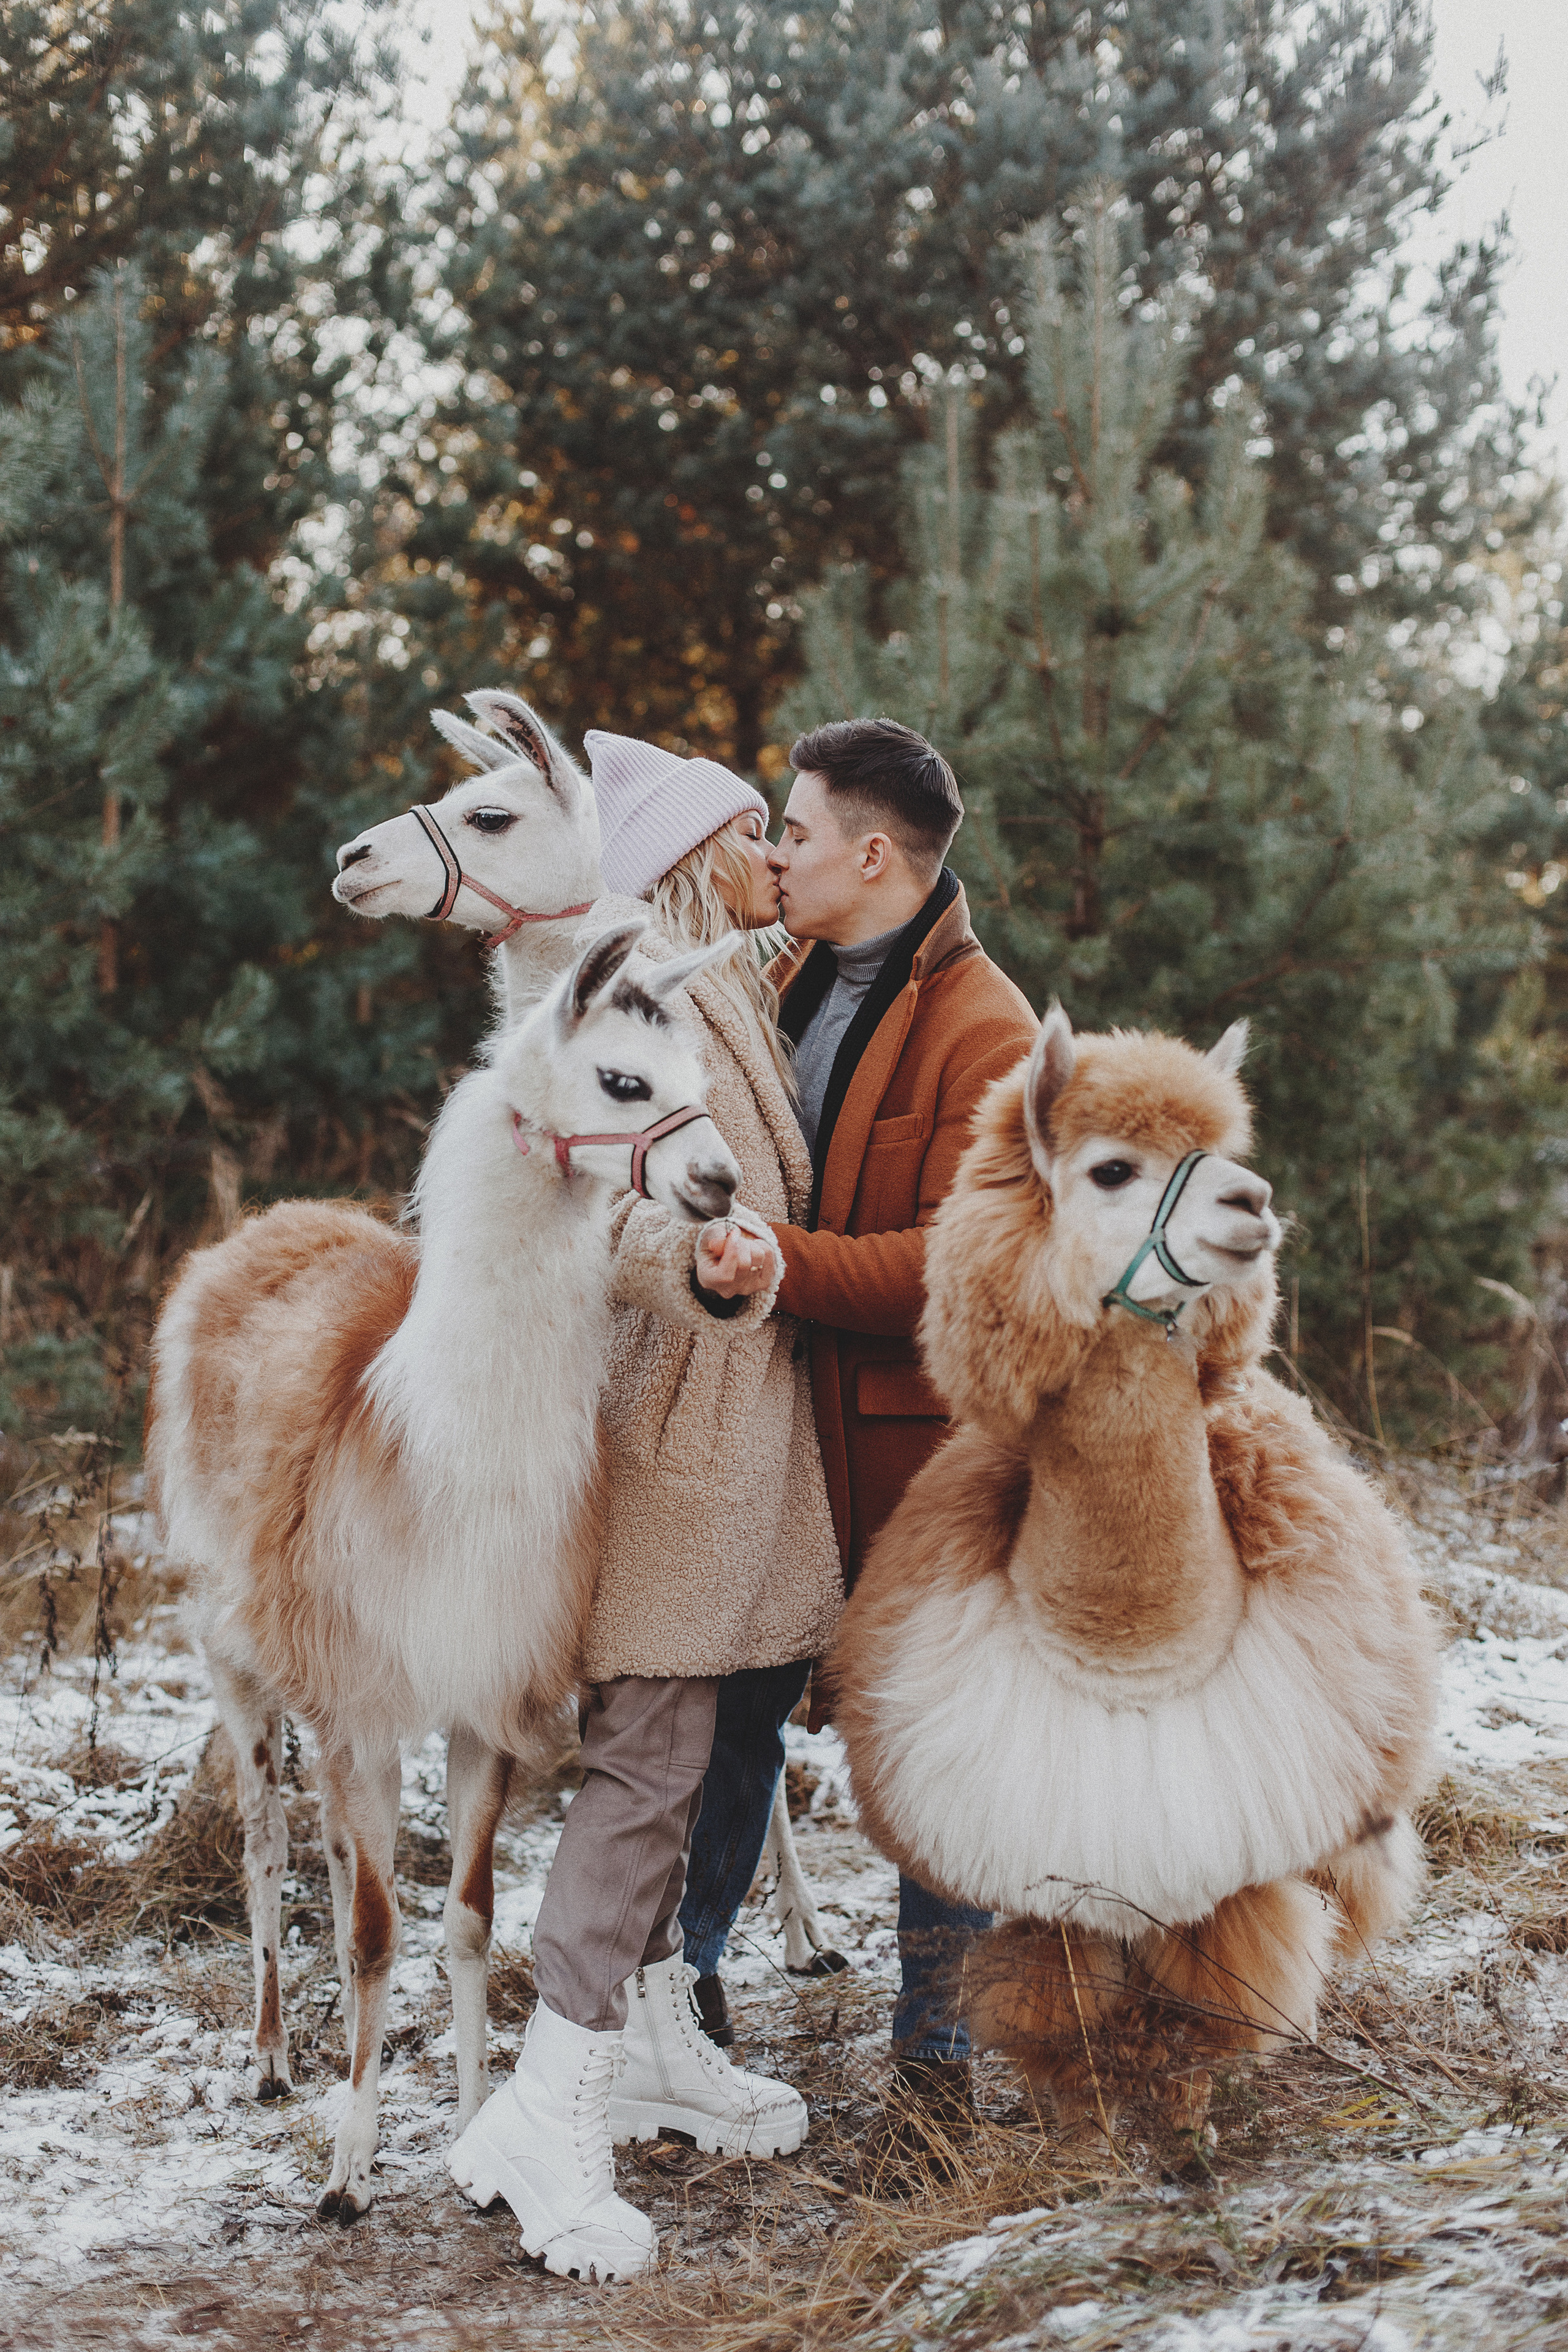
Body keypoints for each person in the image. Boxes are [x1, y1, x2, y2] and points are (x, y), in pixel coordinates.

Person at [449, 734, 844, 2283]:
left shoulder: (726, 989)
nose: (770, 866)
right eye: (753, 839)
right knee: (644, 1768)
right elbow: (597, 1204)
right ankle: (546, 2111)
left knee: (700, 1754)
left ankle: (661, 2039)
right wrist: (696, 1263)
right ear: (691, 858)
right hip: (672, 1439)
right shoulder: (625, 999)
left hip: (743, 1441)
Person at [676, 717, 1037, 2143]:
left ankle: (936, 2051)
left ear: (873, 856)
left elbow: (956, 1260)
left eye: (796, 830)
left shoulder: (986, 1029)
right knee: (728, 1704)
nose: (772, 852)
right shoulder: (766, 977)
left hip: (902, 1443)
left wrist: (777, 1261)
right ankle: (682, 1990)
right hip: (767, 1419)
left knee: (922, 1739)